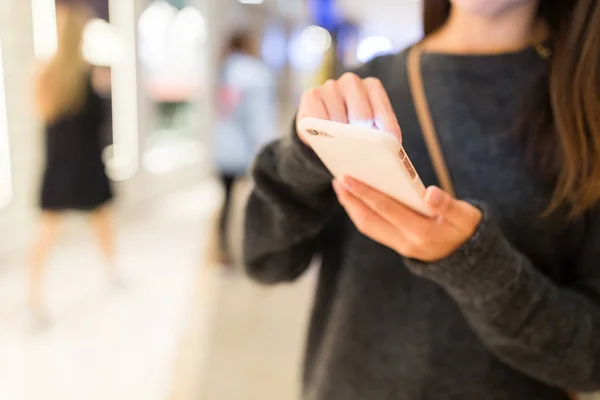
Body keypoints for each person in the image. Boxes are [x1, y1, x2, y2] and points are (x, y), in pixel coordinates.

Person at [244, 1, 600, 399]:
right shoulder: (363, 91)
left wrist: (473, 263)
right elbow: (265, 260)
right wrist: (302, 156)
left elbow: (589, 360)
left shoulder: (585, 109)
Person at [30, 3, 116, 327]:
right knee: (103, 222)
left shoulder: (44, 75)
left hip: (58, 166)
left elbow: (43, 116)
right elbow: (99, 123)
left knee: (47, 232)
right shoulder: (86, 76)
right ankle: (112, 272)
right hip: (86, 165)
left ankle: (33, 297)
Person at [214, 30, 276, 266]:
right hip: (248, 151)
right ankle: (261, 251)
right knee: (261, 201)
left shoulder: (225, 71)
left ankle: (222, 248)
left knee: (227, 201)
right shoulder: (256, 74)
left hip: (224, 148)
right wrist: (268, 149)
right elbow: (259, 119)